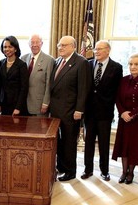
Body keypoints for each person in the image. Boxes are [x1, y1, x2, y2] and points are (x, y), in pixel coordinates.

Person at [49, 35, 90, 182]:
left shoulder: (81, 62)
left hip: (71, 111)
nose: (60, 47)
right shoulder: (57, 61)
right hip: (55, 111)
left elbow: (83, 89)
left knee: (69, 143)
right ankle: (61, 167)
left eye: (64, 45)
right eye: (59, 45)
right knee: (58, 142)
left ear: (73, 46)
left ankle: (70, 171)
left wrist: (79, 110)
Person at [81, 40, 123, 181]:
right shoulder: (88, 64)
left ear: (108, 50)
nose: (96, 52)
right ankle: (88, 170)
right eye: (95, 49)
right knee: (89, 143)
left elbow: (117, 91)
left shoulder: (116, 67)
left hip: (105, 113)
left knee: (104, 144)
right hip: (89, 112)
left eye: (100, 49)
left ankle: (105, 171)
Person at [111, 53, 138, 184]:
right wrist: (123, 112)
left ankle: (131, 173)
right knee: (124, 146)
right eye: (130, 64)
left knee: (134, 147)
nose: (133, 67)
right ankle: (124, 172)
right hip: (124, 120)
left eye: (136, 64)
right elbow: (117, 98)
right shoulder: (124, 80)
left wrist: (133, 113)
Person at [20, 34, 54, 116]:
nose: (34, 45)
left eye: (37, 42)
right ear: (29, 44)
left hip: (39, 104)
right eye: (32, 42)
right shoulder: (23, 58)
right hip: (23, 104)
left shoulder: (49, 60)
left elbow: (49, 84)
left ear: (41, 44)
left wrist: (45, 103)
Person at [0, 36, 28, 116]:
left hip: (17, 105)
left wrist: (18, 107)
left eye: (10, 47)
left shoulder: (22, 65)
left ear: (15, 49)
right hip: (4, 104)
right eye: (5, 47)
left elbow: (24, 88)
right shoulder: (1, 62)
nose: (7, 49)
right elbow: (0, 85)